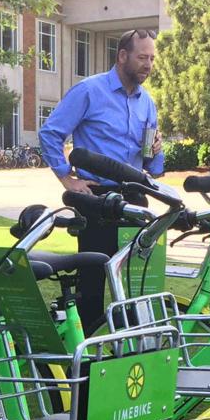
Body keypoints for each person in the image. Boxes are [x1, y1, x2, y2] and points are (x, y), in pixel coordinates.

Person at [39, 28, 164, 329]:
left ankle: (134, 351)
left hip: (134, 197)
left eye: (151, 58)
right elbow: (50, 133)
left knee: (136, 283)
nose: (148, 64)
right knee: (93, 281)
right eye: (142, 57)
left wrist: (157, 151)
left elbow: (154, 167)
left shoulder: (147, 102)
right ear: (122, 56)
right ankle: (87, 362)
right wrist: (67, 180)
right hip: (97, 200)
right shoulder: (89, 91)